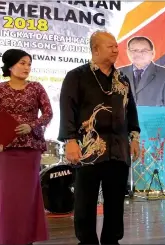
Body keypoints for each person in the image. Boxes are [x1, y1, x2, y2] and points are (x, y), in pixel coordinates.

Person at [58, 31, 140, 245]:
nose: (116, 49)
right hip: (88, 149)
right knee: (85, 202)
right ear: (95, 49)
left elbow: (131, 111)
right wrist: (71, 140)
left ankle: (112, 241)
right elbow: (68, 110)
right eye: (110, 46)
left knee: (115, 202)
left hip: (118, 148)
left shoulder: (122, 78)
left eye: (116, 46)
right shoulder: (76, 76)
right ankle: (87, 242)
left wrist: (135, 138)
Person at [0, 49, 53, 245]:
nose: (26, 67)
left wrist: (32, 125)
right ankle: (5, 237)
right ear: (10, 65)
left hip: (30, 149)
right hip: (5, 150)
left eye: (29, 64)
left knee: (27, 195)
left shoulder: (36, 88)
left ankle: (26, 238)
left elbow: (48, 114)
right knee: (7, 195)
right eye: (22, 63)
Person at [119, 36, 165, 106]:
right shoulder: (117, 73)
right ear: (128, 52)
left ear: (152, 53)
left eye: (144, 51)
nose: (139, 54)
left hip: (154, 117)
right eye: (134, 50)